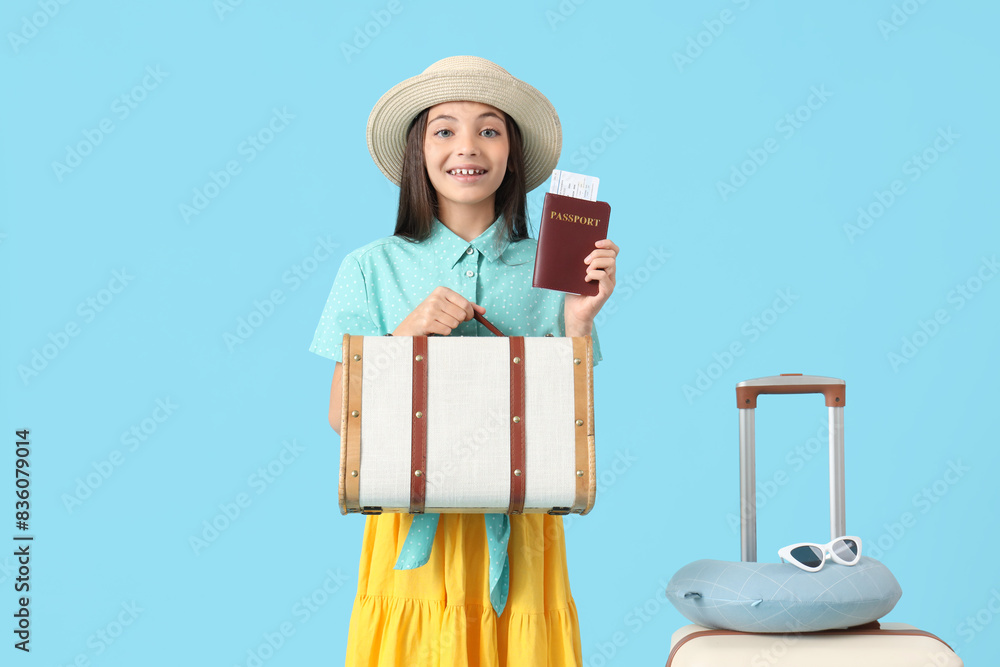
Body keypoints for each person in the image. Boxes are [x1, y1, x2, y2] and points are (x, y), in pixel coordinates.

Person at [308, 55, 619, 666]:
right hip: (409, 529)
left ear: (512, 152)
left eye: (489, 129)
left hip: (520, 528)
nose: (466, 147)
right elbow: (342, 419)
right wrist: (406, 336)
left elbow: (565, 423)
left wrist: (579, 322)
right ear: (418, 150)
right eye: (444, 129)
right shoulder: (371, 267)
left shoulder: (552, 268)